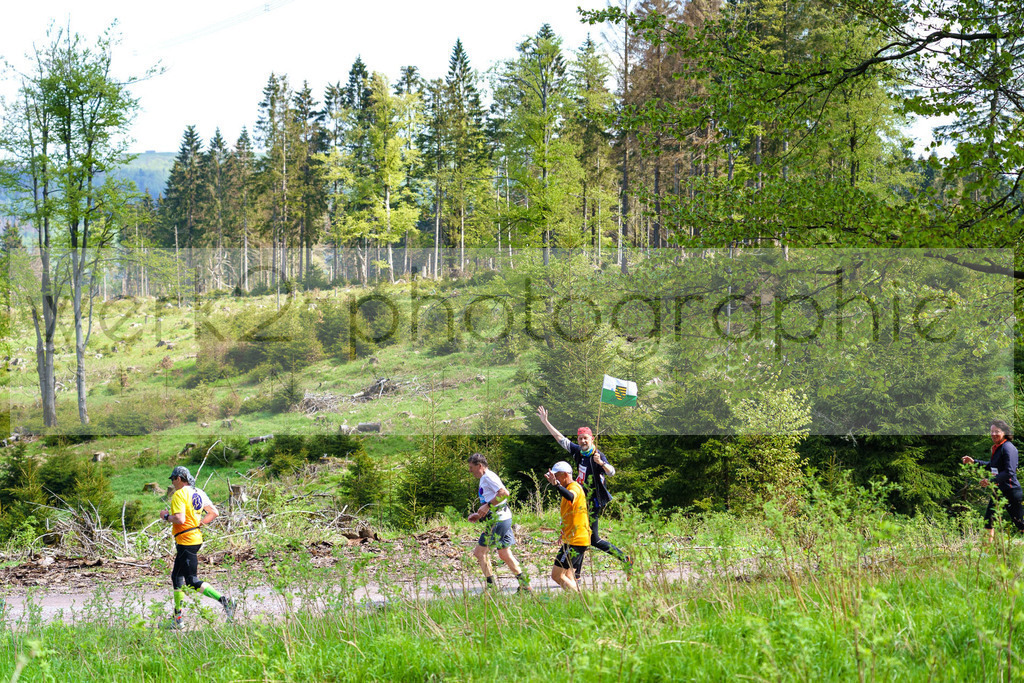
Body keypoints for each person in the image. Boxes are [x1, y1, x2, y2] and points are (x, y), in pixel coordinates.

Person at [537, 405, 632, 580]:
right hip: (581, 500)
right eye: (580, 439)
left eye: (585, 438)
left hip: (593, 502)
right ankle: (577, 574)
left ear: (592, 438)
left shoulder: (597, 455)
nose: (583, 441)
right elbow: (560, 439)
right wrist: (546, 422)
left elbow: (612, 472)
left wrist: (601, 463)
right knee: (581, 536)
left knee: (591, 539)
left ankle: (624, 559)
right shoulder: (578, 452)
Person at [159, 466, 236, 629]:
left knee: (192, 581)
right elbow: (213, 512)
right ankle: (177, 618)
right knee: (176, 577)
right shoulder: (198, 492)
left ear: (179, 478)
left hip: (186, 540)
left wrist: (165, 516)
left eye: (173, 479)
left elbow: (179, 519)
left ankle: (226, 602)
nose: (172, 483)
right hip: (193, 538)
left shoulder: (179, 494)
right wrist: (199, 523)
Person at [467, 453, 531, 593]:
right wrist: (479, 515)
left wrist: (488, 506)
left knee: (480, 553)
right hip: (502, 517)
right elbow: (493, 499)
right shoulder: (486, 477)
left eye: (472, 468)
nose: (470, 471)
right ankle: (525, 585)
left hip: (499, 520)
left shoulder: (488, 476)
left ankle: (491, 588)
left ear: (480, 466)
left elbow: (504, 493)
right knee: (504, 554)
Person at [962, 420, 1024, 540]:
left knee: (1020, 523)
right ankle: (986, 554)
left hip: (1011, 491)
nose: (993, 434)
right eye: (992, 431)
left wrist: (990, 480)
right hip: (999, 492)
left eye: (997, 431)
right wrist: (974, 462)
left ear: (1004, 432)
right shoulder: (998, 447)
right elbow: (992, 466)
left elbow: (1010, 471)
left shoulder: (1008, 448)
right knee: (989, 521)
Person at [544, 461, 590, 592]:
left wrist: (557, 485)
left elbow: (571, 497)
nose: (555, 479)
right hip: (574, 538)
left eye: (556, 476)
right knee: (569, 576)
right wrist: (563, 532)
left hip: (576, 540)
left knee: (557, 575)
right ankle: (577, 603)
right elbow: (569, 513)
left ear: (564, 475)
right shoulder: (567, 489)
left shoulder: (574, 487)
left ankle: (580, 599)